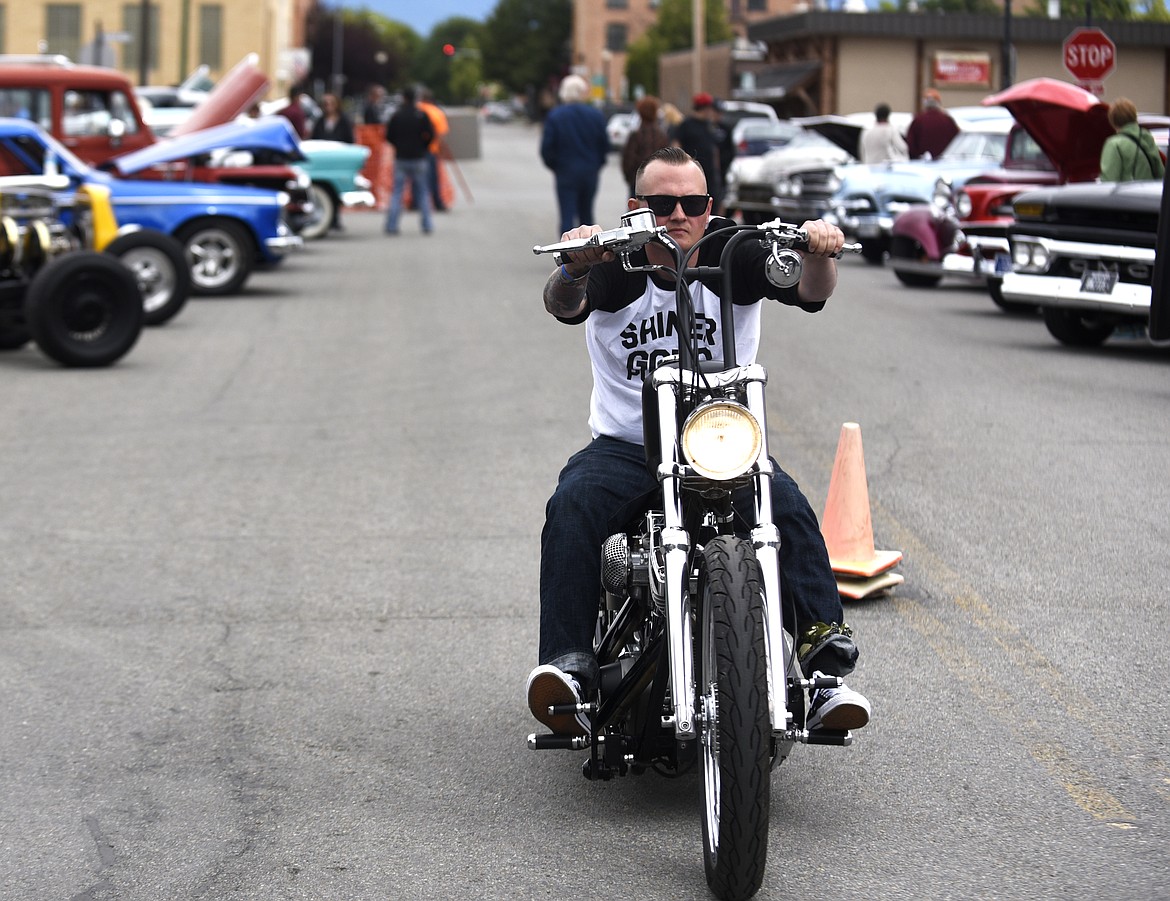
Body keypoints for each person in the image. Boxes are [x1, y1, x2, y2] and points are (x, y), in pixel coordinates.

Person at [526, 146, 872, 738]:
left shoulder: (732, 254)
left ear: (710, 207)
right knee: (572, 504)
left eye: (692, 202)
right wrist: (574, 265)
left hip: (719, 440)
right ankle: (571, 668)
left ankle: (821, 667)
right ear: (637, 207)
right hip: (627, 446)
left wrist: (821, 248)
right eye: (662, 203)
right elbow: (565, 303)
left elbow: (811, 291)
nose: (677, 215)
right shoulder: (613, 263)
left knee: (782, 501)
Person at [540, 74, 610, 235]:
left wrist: (557, 166)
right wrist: (596, 164)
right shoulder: (595, 115)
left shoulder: (556, 116)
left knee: (567, 216)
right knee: (587, 215)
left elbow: (547, 149)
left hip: (566, 172)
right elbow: (604, 145)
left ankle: (567, 256)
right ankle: (590, 255)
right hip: (590, 171)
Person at [384, 87, 435, 235]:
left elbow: (389, 136)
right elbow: (430, 135)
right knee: (423, 192)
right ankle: (427, 225)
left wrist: (399, 146)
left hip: (401, 158)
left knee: (397, 192)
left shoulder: (397, 115)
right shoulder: (421, 115)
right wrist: (423, 147)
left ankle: (392, 225)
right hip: (419, 157)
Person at [670, 92, 729, 215]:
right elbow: (676, 146)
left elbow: (714, 150)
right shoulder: (686, 125)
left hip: (710, 175)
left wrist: (717, 171)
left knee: (713, 205)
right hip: (691, 173)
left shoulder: (709, 126)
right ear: (705, 108)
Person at [1099, 98, 1165, 183]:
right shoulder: (1147, 137)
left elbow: (1108, 181)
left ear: (1113, 120)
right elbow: (1160, 173)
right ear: (1134, 116)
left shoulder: (1114, 144)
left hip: (1128, 195)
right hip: (1150, 193)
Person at [620, 95, 671, 199]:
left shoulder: (636, 135)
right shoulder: (662, 136)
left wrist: (630, 178)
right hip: (659, 181)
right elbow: (668, 159)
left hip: (638, 181)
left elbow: (628, 159)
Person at [417, 89, 451, 212]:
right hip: (431, 149)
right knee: (432, 178)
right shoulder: (436, 112)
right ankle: (437, 202)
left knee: (416, 177)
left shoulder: (417, 109)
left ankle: (416, 202)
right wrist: (440, 149)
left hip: (415, 150)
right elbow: (441, 134)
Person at [906, 88, 958, 160]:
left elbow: (911, 145)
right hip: (945, 163)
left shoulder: (918, 120)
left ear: (924, 103)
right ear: (939, 103)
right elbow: (957, 141)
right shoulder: (948, 121)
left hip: (923, 163)